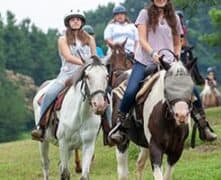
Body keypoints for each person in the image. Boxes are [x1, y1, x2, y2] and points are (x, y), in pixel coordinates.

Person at [108, 0, 186, 145]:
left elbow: (177, 43)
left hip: (169, 63)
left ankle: (202, 123)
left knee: (189, 87)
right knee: (131, 91)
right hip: (145, 62)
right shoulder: (144, 14)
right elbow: (142, 40)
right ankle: (121, 123)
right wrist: (153, 54)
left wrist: (177, 59)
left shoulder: (174, 17)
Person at [31, 9, 96, 141]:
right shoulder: (62, 39)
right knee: (49, 94)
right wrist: (85, 62)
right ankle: (41, 126)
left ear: (82, 22)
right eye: (73, 19)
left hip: (87, 74)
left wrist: (93, 64)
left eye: (78, 19)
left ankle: (109, 128)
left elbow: (94, 56)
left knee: (103, 94)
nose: (76, 21)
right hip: (67, 75)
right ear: (68, 23)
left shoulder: (90, 39)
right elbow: (68, 56)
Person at [176, 11, 218, 141]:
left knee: (196, 98)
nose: (181, 38)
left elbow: (194, 71)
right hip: (168, 77)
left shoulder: (187, 51)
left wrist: (202, 79)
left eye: (182, 36)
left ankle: (203, 128)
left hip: (185, 80)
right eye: (179, 36)